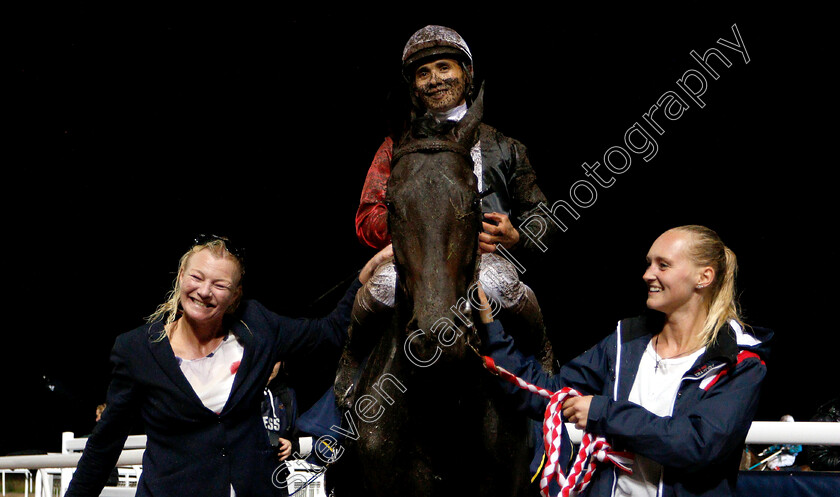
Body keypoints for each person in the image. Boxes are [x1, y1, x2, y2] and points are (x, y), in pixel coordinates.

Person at [65, 234, 392, 497]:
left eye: (219, 285)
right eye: (196, 277)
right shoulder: (136, 349)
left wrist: (364, 277)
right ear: (181, 278)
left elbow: (330, 333)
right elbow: (104, 445)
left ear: (235, 296)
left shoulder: (258, 326)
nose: (204, 291)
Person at [342, 23, 556, 404]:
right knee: (375, 292)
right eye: (423, 73)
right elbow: (367, 220)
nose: (434, 80)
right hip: (415, 266)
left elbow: (544, 218)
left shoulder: (506, 147)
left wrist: (517, 234)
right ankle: (349, 364)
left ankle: (543, 359)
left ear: (466, 74)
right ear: (412, 86)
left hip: (484, 263)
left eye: (444, 67)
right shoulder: (396, 148)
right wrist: (415, 230)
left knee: (508, 289)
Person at [480, 225, 771, 497]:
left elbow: (698, 444)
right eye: (649, 263)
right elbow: (548, 394)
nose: (647, 274)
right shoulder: (627, 341)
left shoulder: (739, 362)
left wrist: (604, 413)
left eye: (663, 265)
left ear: (703, 278)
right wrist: (491, 329)